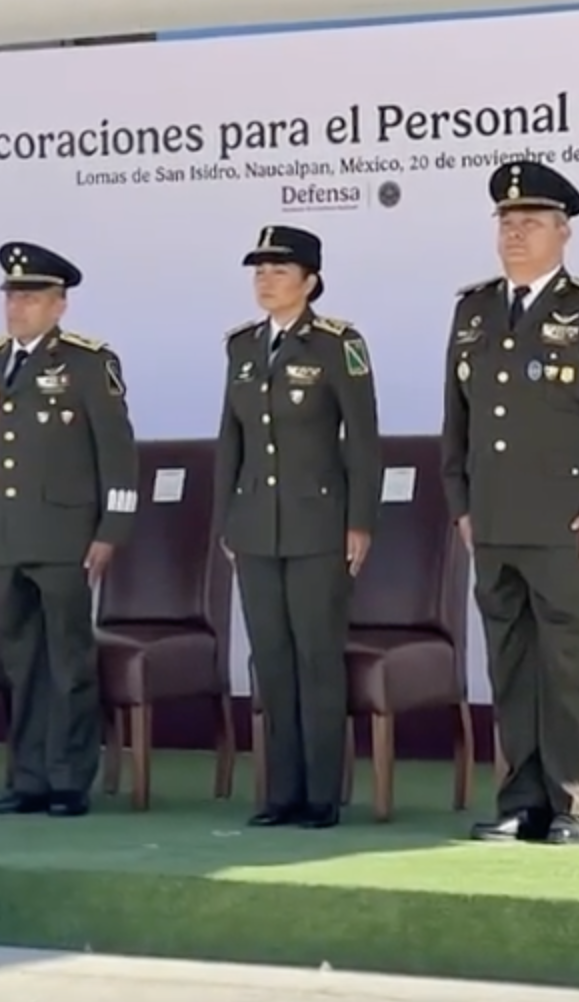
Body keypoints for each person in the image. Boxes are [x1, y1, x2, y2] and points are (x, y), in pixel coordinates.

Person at [445, 162, 579, 847]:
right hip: (493, 520)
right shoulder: (474, 310)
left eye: (530, 223)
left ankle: (572, 802)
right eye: (506, 222)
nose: (514, 233)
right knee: (510, 664)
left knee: (564, 662)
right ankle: (521, 801)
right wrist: (461, 503)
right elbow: (457, 421)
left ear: (563, 233)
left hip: (566, 523)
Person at [0, 242, 138, 818]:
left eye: (31, 298)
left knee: (68, 662)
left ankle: (68, 778)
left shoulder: (87, 363)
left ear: (59, 305)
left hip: (65, 536)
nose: (18, 307)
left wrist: (111, 529)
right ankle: (28, 776)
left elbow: (118, 455)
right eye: (12, 297)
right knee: (21, 662)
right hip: (7, 536)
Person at [213, 225, 381, 830]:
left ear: (310, 281)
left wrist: (359, 521)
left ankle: (321, 795)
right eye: (259, 270)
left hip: (318, 524)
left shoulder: (337, 344)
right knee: (271, 659)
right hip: (256, 525)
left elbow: (363, 440)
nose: (265, 280)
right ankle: (280, 792)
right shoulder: (242, 346)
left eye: (279, 271)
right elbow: (231, 439)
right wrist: (227, 520)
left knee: (316, 658)